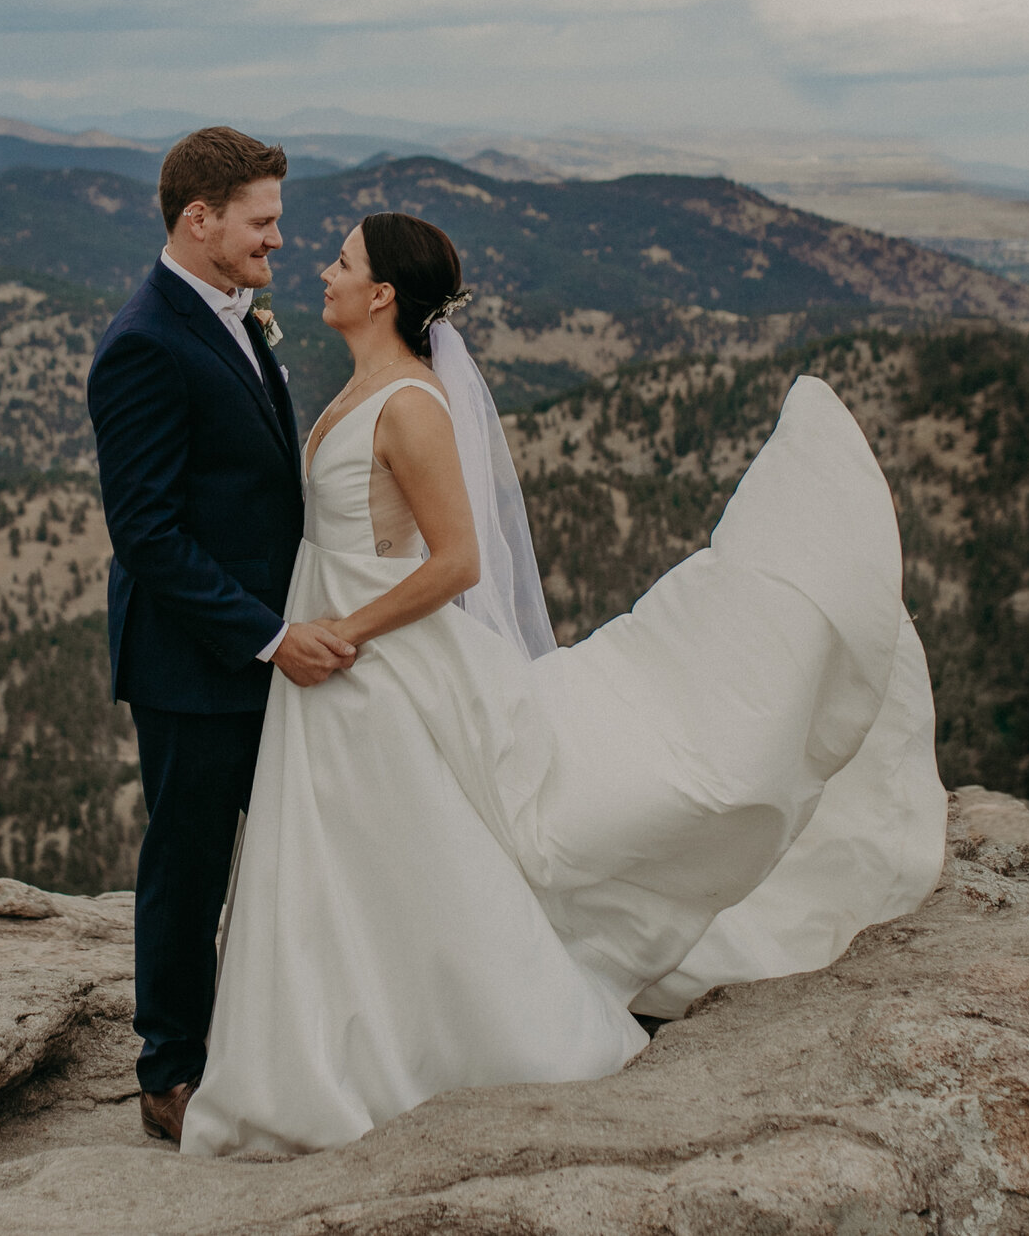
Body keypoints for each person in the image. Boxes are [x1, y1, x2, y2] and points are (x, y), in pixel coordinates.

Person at [181, 212, 949, 1158]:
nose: (324, 272)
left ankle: (402, 1045)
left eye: (343, 262)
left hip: (368, 658)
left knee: (389, 849)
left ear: (383, 295)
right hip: (331, 653)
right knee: (346, 857)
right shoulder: (362, 388)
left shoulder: (412, 404)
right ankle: (324, 1045)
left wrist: (344, 630)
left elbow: (458, 561)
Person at [85, 126, 359, 1143]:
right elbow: (147, 535)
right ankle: (169, 1070)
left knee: (295, 847)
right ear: (198, 219)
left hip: (258, 645)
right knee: (190, 864)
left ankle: (284, 1035)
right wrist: (268, 636)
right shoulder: (144, 340)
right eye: (262, 221)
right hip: (195, 661)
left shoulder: (230, 314)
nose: (278, 241)